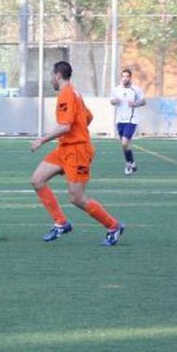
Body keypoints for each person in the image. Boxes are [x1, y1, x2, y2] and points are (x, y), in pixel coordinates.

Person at [30, 60, 125, 246]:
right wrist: (78, 129)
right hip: (64, 149)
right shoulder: (74, 93)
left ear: (58, 75)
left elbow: (65, 126)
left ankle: (113, 226)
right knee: (37, 180)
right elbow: (88, 116)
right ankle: (61, 223)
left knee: (76, 197)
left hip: (77, 151)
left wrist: (42, 140)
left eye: (52, 76)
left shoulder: (67, 94)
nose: (51, 79)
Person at [109, 68, 145, 175]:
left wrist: (135, 104)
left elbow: (143, 101)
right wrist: (114, 101)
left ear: (130, 78)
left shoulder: (136, 90)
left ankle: (128, 164)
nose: (125, 78)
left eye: (127, 76)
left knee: (125, 142)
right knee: (125, 144)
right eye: (123, 76)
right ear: (121, 78)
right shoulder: (116, 89)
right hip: (120, 120)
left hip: (131, 120)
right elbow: (111, 101)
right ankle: (132, 164)